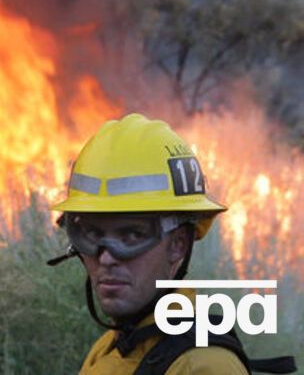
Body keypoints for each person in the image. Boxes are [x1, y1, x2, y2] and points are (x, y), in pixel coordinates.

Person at [47, 113, 296, 374]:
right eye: (93, 235)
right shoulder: (111, 346)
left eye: (131, 236)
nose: (107, 258)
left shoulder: (204, 366)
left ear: (178, 244)